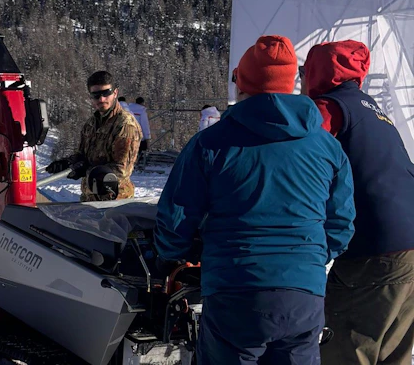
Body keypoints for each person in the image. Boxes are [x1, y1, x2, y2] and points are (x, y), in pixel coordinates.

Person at [155, 35, 355, 365]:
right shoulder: (327, 147)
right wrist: (308, 259)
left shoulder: (210, 144)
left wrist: (182, 253)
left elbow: (176, 218)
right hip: (303, 295)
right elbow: (341, 224)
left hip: (235, 289)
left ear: (242, 84)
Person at [303, 40, 414, 365]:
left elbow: (296, 156)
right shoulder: (374, 111)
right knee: (392, 355)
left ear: (317, 71)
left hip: (374, 252)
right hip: (408, 249)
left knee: (342, 350)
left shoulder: (329, 108)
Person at [45, 71, 141, 201]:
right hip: (90, 198)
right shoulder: (91, 124)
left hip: (114, 200)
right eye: (96, 95)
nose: (101, 99)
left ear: (115, 93)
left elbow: (121, 170)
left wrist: (87, 170)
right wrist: (68, 163)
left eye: (106, 93)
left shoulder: (125, 125)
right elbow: (82, 155)